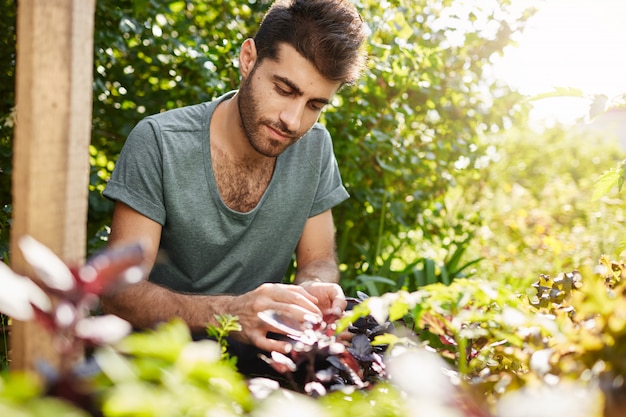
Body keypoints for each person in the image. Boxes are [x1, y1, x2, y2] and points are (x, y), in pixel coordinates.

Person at [101, 0, 367, 372]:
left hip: (259, 374)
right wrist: (231, 313)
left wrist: (312, 289)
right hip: (154, 374)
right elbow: (119, 293)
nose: (292, 120)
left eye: (315, 105)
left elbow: (318, 260)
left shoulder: (316, 147)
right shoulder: (160, 142)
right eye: (284, 89)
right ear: (248, 59)